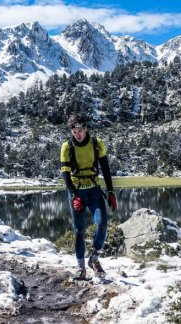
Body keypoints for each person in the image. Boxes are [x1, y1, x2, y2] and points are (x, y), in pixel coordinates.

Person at [60, 115, 118, 280]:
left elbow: (105, 169)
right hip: (77, 192)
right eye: (74, 131)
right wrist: (73, 194)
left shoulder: (96, 144)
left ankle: (94, 259)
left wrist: (111, 192)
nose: (77, 134)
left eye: (79, 130)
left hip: (94, 190)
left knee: (102, 224)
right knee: (79, 230)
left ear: (86, 128)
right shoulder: (67, 146)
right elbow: (65, 174)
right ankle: (80, 268)